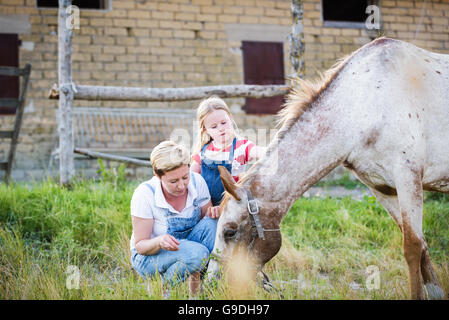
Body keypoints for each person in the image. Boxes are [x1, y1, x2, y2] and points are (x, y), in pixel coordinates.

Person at [130, 141, 219, 297]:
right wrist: (159, 241)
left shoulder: (197, 181)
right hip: (150, 256)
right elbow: (140, 246)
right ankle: (163, 288)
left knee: (213, 225)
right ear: (158, 175)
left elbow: (207, 220)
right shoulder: (145, 194)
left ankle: (196, 291)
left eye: (185, 177)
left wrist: (215, 212)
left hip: (188, 247)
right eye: (173, 181)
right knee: (198, 254)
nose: (181, 186)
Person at [191, 96, 266, 206]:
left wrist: (269, 151)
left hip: (233, 205)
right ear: (205, 130)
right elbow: (190, 176)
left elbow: (257, 151)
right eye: (214, 126)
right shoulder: (204, 151)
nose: (221, 128)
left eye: (223, 122)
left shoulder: (241, 146)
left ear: (230, 118)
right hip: (206, 205)